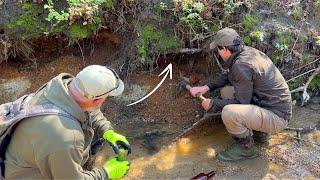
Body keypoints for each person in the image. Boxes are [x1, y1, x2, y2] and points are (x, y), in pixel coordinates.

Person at [4, 65, 131, 179]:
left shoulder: (61, 88)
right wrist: (106, 173)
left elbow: (90, 109)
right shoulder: (67, 137)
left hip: (20, 158)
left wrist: (107, 131)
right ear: (97, 101)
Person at [190, 28, 292, 162]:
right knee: (226, 92)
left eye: (218, 49)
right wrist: (206, 87)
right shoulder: (247, 52)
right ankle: (260, 134)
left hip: (277, 117)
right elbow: (230, 76)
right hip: (272, 107)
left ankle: (246, 149)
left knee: (228, 112)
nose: (218, 52)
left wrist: (213, 103)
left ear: (225, 49)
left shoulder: (241, 64)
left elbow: (241, 102)